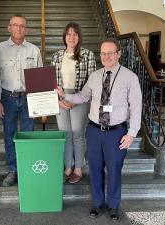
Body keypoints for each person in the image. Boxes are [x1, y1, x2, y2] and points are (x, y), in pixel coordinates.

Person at [56, 38, 142, 221]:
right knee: (95, 169)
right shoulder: (95, 76)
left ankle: (113, 206)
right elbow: (83, 96)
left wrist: (132, 133)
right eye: (103, 53)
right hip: (94, 131)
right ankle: (97, 203)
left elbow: (136, 107)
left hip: (117, 133)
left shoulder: (130, 78)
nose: (106, 56)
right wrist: (65, 95)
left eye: (110, 53)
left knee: (114, 170)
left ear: (118, 54)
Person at [0, 15, 43, 186]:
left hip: (29, 98)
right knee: (9, 135)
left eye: (22, 26)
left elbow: (39, 78)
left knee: (29, 135)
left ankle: (27, 168)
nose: (19, 28)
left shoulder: (34, 50)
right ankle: (13, 170)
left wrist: (40, 104)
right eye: (15, 25)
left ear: (26, 29)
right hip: (8, 98)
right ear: (9, 28)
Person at [50, 22, 96, 184]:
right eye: (68, 34)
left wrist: (75, 101)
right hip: (61, 99)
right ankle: (67, 167)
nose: (71, 37)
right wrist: (59, 99)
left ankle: (78, 168)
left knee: (77, 134)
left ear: (79, 37)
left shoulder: (88, 54)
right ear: (64, 37)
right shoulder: (56, 56)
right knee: (65, 134)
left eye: (75, 34)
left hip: (80, 97)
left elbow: (91, 82)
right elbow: (51, 82)